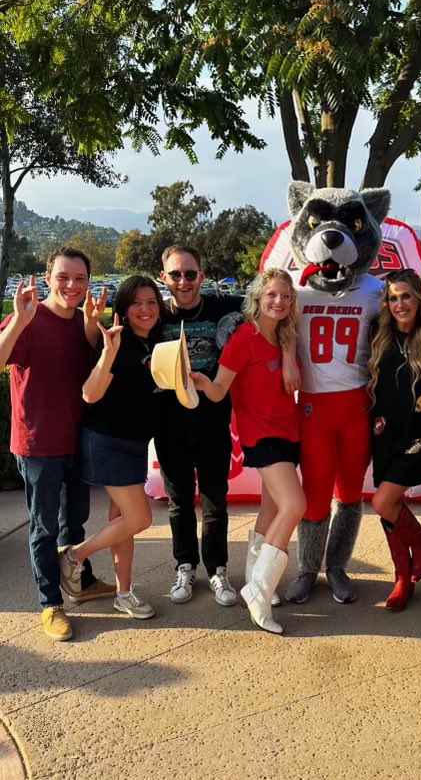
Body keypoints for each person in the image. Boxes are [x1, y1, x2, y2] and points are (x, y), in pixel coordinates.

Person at [0, 248, 115, 642]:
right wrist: (18, 321)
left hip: (76, 440)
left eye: (79, 279)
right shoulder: (29, 319)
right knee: (44, 526)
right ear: (48, 277)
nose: (71, 285)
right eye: (63, 277)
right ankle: (50, 603)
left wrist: (92, 324)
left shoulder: (82, 322)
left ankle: (78, 583)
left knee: (76, 520)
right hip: (37, 443)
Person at [191, 268, 305, 634]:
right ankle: (258, 588)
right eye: (272, 295)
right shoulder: (244, 338)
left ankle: (260, 580)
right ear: (257, 297)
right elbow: (220, 390)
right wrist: (201, 382)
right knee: (294, 505)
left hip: (288, 430)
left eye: (285, 296)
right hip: (262, 434)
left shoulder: (284, 335)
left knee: (272, 507)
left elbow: (286, 347)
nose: (279, 301)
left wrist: (288, 354)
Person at [58, 276, 166, 619]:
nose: (145, 309)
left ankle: (124, 593)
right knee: (140, 518)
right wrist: (108, 354)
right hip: (106, 442)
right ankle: (72, 557)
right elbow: (90, 394)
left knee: (123, 520)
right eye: (136, 303)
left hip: (136, 443)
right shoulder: (117, 340)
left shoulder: (160, 340)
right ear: (124, 307)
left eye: (151, 302)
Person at [154, 246, 243, 608]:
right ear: (164, 278)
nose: (183, 281)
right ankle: (185, 565)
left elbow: (273, 303)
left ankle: (218, 568)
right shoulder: (153, 314)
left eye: (190, 274)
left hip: (213, 424)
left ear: (202, 276)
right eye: (175, 275)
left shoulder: (224, 307)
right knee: (178, 503)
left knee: (214, 503)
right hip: (169, 426)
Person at [367, 269, 421, 610]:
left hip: (420, 434)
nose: (400, 303)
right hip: (383, 431)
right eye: (393, 297)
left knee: (383, 502)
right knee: (392, 505)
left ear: (419, 298)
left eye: (406, 296)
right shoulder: (378, 334)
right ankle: (402, 578)